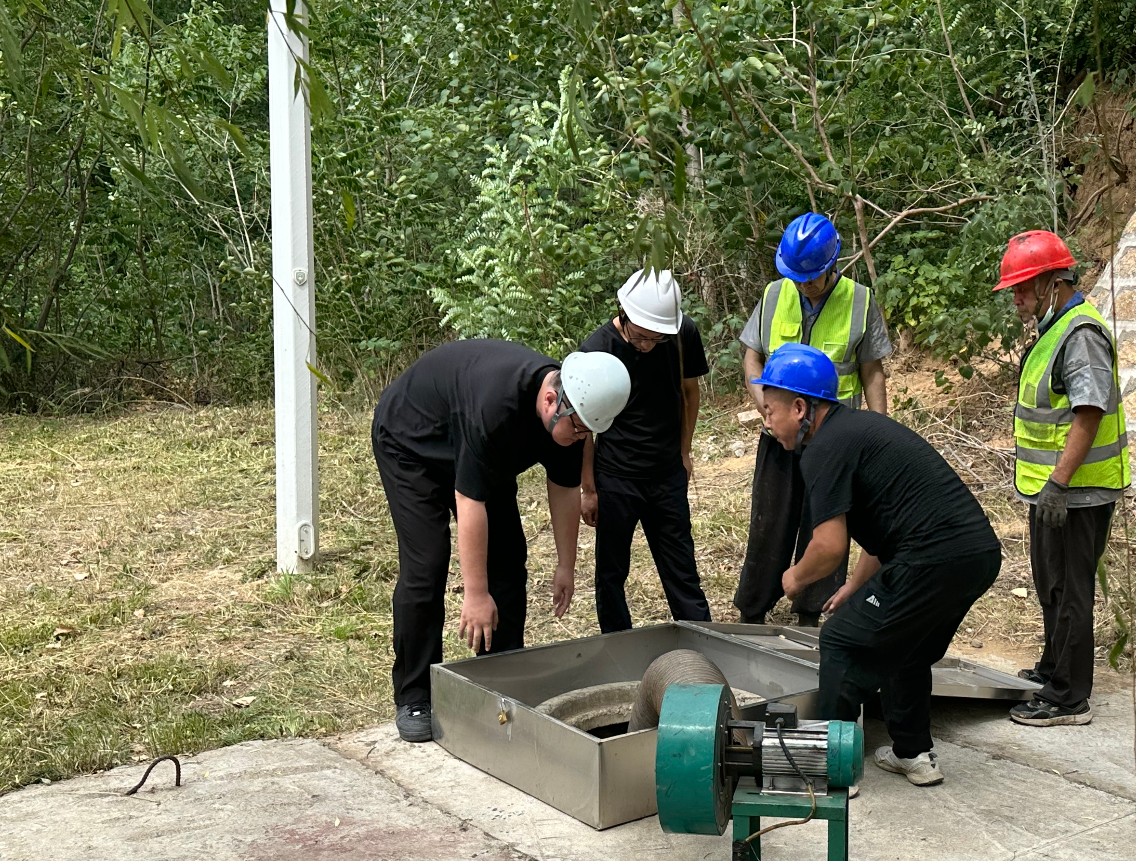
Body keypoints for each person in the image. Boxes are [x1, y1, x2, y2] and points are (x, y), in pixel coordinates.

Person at [764, 343, 1003, 787]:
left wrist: (793, 577)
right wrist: (855, 586)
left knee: (840, 640)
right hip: (977, 555)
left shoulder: (823, 449)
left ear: (799, 408)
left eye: (769, 410)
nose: (766, 422)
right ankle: (913, 755)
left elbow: (828, 546)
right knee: (904, 646)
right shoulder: (855, 430)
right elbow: (884, 534)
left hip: (930, 559)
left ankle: (831, 771)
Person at [372, 340, 630, 743]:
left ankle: (499, 682)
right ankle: (415, 695)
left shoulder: (571, 417)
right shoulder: (495, 409)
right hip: (413, 444)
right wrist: (475, 594)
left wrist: (566, 565)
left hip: (476, 451)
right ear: (551, 401)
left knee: (507, 560)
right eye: (579, 428)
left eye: (589, 431)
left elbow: (564, 489)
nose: (582, 437)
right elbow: (470, 501)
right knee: (427, 564)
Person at [996, 230, 1131, 727]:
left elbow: (1088, 412)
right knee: (1050, 583)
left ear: (1053, 283)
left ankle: (1068, 696)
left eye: (1021, 288)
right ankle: (1054, 668)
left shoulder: (1080, 335)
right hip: (1052, 489)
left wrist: (1059, 482)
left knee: (1071, 590)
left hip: (1077, 492)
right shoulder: (1055, 328)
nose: (1016, 298)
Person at [735, 212, 892, 627]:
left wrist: (879, 431)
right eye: (796, 276)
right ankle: (753, 610)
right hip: (779, 434)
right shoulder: (774, 295)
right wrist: (764, 405)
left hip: (833, 440)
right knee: (769, 523)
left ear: (832, 264)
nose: (803, 284)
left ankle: (811, 612)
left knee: (824, 523)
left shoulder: (859, 301)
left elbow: (872, 371)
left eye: (811, 277)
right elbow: (752, 356)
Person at [577, 268, 712, 632]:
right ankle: (618, 646)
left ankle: (703, 645)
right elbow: (583, 427)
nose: (649, 345)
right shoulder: (597, 350)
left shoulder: (682, 334)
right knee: (611, 574)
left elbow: (690, 392)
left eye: (658, 338)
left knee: (682, 571)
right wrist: (589, 488)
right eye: (641, 337)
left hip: (667, 473)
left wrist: (685, 451)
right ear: (623, 313)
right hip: (616, 477)